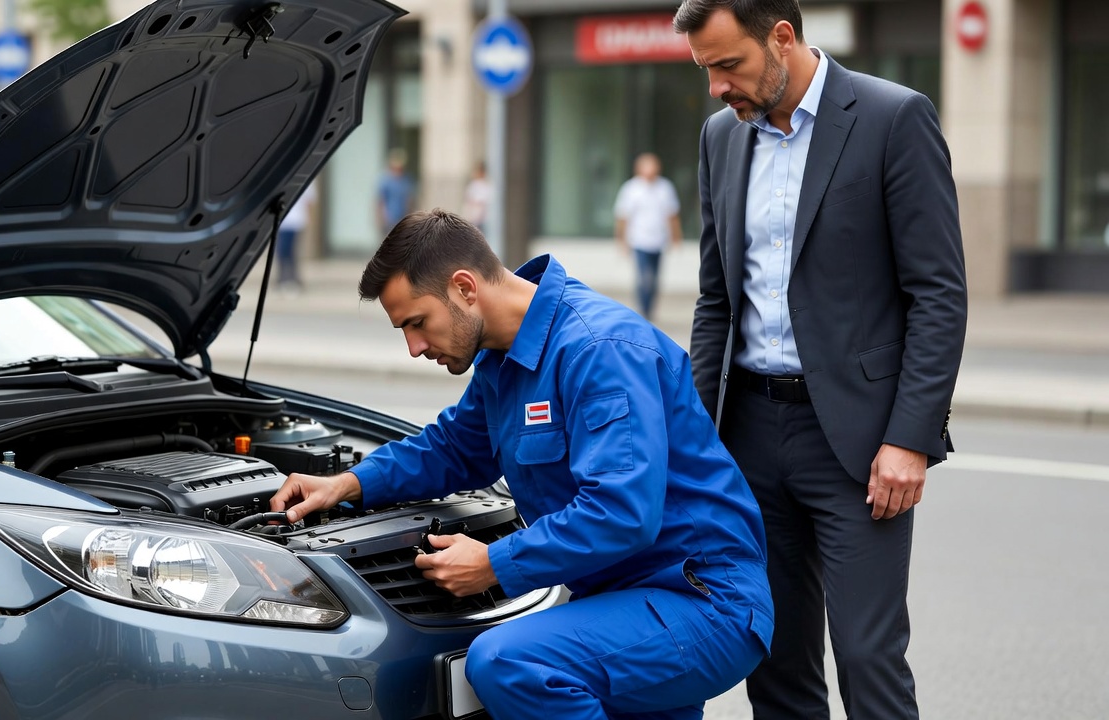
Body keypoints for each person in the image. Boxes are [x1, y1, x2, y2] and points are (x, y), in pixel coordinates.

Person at [271, 209, 773, 719]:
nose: (414, 348)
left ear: (465, 287)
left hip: (702, 599)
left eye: (417, 323)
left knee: (510, 661)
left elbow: (622, 512)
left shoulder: (598, 350)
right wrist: (347, 483)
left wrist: (493, 564)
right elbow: (453, 448)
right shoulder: (502, 356)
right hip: (625, 602)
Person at [675, 1, 968, 718]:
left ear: (781, 37)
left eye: (728, 64)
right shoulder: (721, 137)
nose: (717, 87)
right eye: (705, 70)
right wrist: (696, 438)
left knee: (868, 658)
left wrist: (910, 439)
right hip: (747, 435)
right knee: (775, 658)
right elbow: (717, 301)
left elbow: (937, 295)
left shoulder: (893, 118)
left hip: (859, 443)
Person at [613, 152, 683, 321]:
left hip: (658, 241)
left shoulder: (665, 188)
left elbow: (672, 215)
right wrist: (621, 240)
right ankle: (643, 310)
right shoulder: (631, 189)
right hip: (639, 240)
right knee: (644, 277)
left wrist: (676, 236)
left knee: (655, 279)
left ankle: (650, 309)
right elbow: (622, 217)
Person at [276, 182, 317, 293]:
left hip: (296, 221)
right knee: (283, 251)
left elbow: (309, 201)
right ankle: (284, 278)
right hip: (283, 222)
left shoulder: (307, 181)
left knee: (289, 251)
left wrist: (309, 220)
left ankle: (290, 278)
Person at [376, 147, 414, 235]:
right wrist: (380, 219)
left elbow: (410, 200)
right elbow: (381, 201)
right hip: (389, 220)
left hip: (403, 220)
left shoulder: (406, 180)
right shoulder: (386, 181)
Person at [461, 160, 492, 232]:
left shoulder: (485, 186)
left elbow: (482, 202)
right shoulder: (474, 185)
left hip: (480, 219)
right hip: (473, 218)